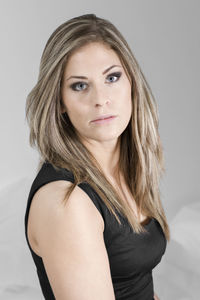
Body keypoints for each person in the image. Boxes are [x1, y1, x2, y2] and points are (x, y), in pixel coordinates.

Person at [24, 13, 170, 300]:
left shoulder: (124, 171)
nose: (100, 99)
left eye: (112, 78)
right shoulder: (68, 201)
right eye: (80, 85)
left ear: (132, 83)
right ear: (59, 103)